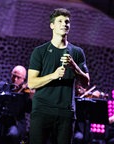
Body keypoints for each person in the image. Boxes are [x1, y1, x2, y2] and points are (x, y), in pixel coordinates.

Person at [27, 8, 90, 144]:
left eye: (67, 22)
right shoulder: (39, 51)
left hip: (66, 112)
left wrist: (74, 66)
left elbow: (86, 82)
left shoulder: (77, 52)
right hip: (42, 110)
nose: (64, 24)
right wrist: (53, 76)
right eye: (60, 21)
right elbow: (31, 83)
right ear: (52, 25)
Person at [0, 65, 33, 144]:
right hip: (0, 119)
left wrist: (31, 98)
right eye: (13, 76)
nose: (15, 79)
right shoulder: (2, 86)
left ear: (24, 79)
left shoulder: (26, 92)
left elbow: (28, 110)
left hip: (15, 122)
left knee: (13, 134)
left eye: (18, 77)